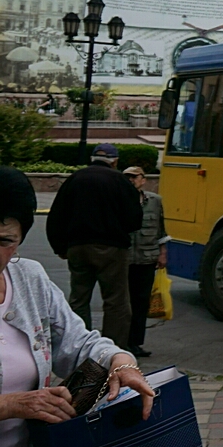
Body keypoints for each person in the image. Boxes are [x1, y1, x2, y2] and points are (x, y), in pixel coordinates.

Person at [0, 167, 153, 447]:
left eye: (5, 240)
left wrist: (120, 361)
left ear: (20, 238)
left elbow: (79, 341)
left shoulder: (28, 279)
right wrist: (10, 405)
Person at [45, 144, 142, 350]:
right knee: (116, 301)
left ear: (92, 158)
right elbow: (134, 219)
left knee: (79, 298)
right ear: (115, 161)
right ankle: (112, 350)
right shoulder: (120, 181)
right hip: (112, 248)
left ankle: (78, 346)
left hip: (78, 246)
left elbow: (57, 216)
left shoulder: (75, 179)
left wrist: (60, 247)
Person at [123, 166, 167, 360]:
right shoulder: (119, 199)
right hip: (125, 259)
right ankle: (122, 341)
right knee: (123, 302)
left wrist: (162, 253)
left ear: (143, 180)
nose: (131, 180)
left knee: (141, 303)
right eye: (127, 177)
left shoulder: (155, 201)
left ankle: (136, 342)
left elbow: (161, 229)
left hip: (147, 258)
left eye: (135, 177)